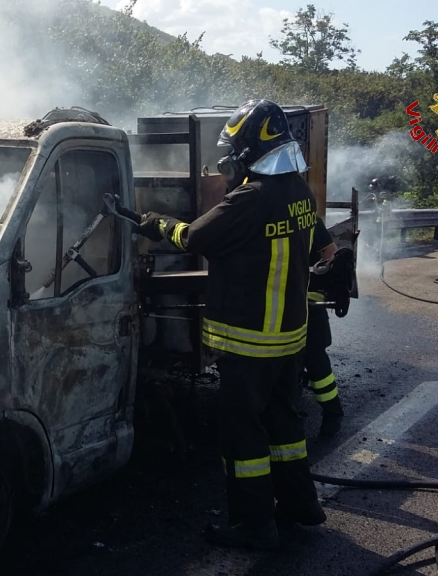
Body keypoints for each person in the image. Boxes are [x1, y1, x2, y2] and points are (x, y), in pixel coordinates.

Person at [135, 99, 326, 550]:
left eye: (233, 153)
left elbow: (195, 237)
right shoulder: (299, 192)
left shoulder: (250, 199)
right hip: (288, 339)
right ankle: (300, 506)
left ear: (249, 152)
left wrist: (154, 222)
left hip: (250, 340)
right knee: (284, 424)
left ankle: (254, 524)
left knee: (242, 435)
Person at [306, 219, 343, 439]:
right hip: (290, 305)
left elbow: (331, 253)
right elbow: (331, 253)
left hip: (307, 306)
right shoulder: (305, 215)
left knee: (316, 364)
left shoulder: (307, 217)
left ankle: (332, 413)